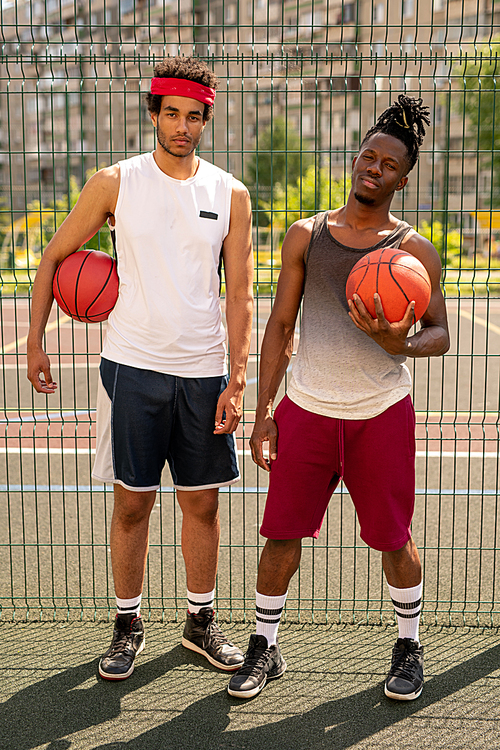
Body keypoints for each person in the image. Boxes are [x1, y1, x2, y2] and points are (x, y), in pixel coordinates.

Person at [27, 56, 254, 681]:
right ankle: (126, 625)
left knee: (202, 506)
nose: (183, 126)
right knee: (133, 505)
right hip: (133, 368)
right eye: (172, 114)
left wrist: (238, 377)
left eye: (194, 117)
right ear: (153, 113)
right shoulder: (115, 183)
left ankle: (199, 624)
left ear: (207, 119)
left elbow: (240, 293)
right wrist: (35, 341)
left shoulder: (230, 193)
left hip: (205, 372)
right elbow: (53, 258)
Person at [227, 95, 450, 701]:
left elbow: (441, 333)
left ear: (403, 180)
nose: (373, 168)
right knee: (280, 537)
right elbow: (279, 325)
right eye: (367, 156)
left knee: (394, 540)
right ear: (355, 160)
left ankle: (408, 646)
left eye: (388, 164)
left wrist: (396, 343)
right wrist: (265, 412)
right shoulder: (308, 235)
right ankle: (264, 647)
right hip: (306, 408)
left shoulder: (413, 251)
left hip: (379, 413)